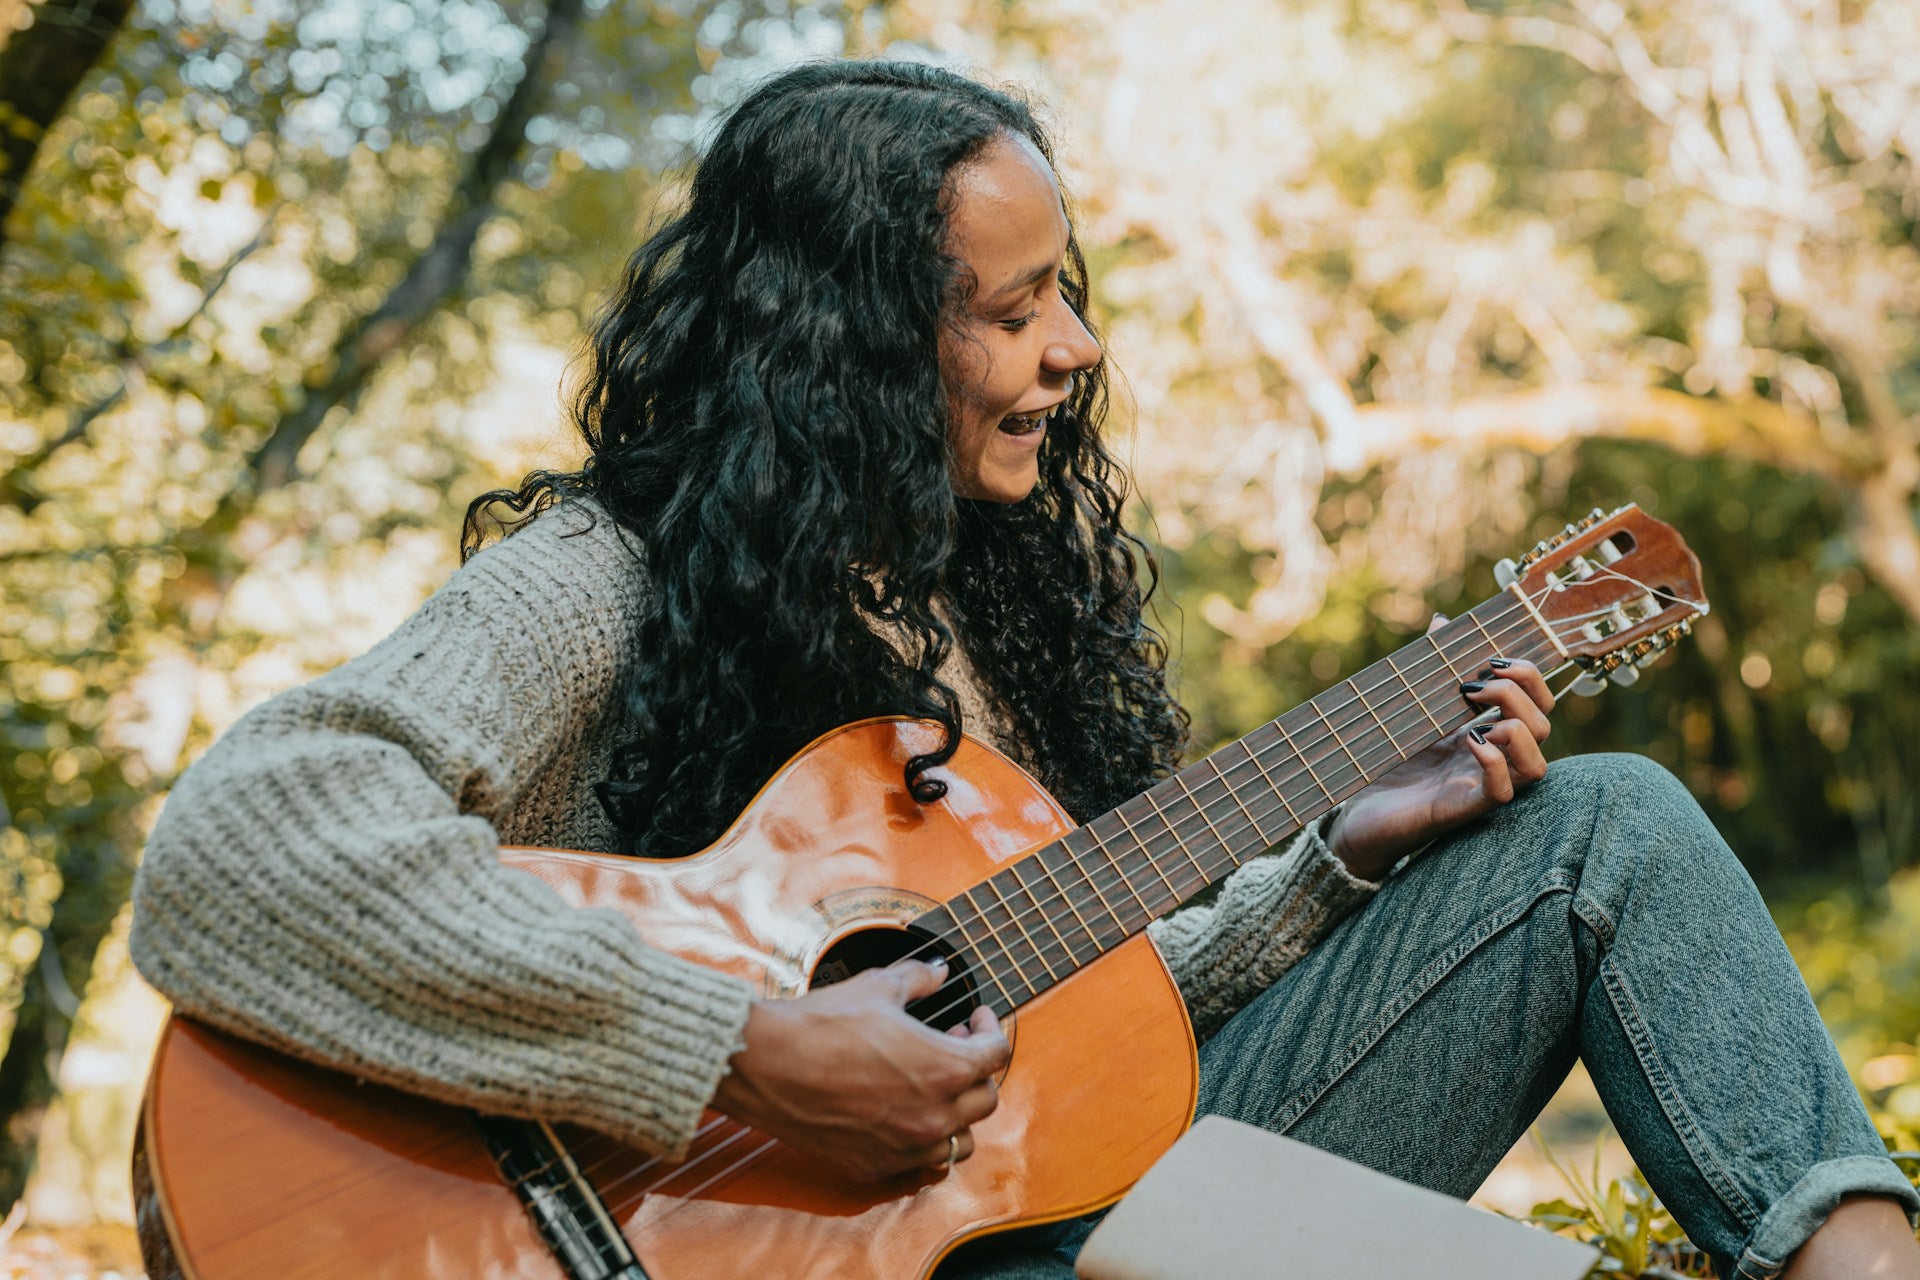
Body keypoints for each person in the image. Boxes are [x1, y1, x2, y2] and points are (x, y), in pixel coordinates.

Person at [129, 59, 1919, 1280]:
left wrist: (1347, 853)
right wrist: (741, 1049)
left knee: (1601, 825)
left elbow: (1069, 1066)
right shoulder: (606, 581)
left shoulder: (970, 620)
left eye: (1064, 292)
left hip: (1039, 1225)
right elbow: (233, 858)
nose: (1071, 349)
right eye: (1010, 308)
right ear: (839, 345)